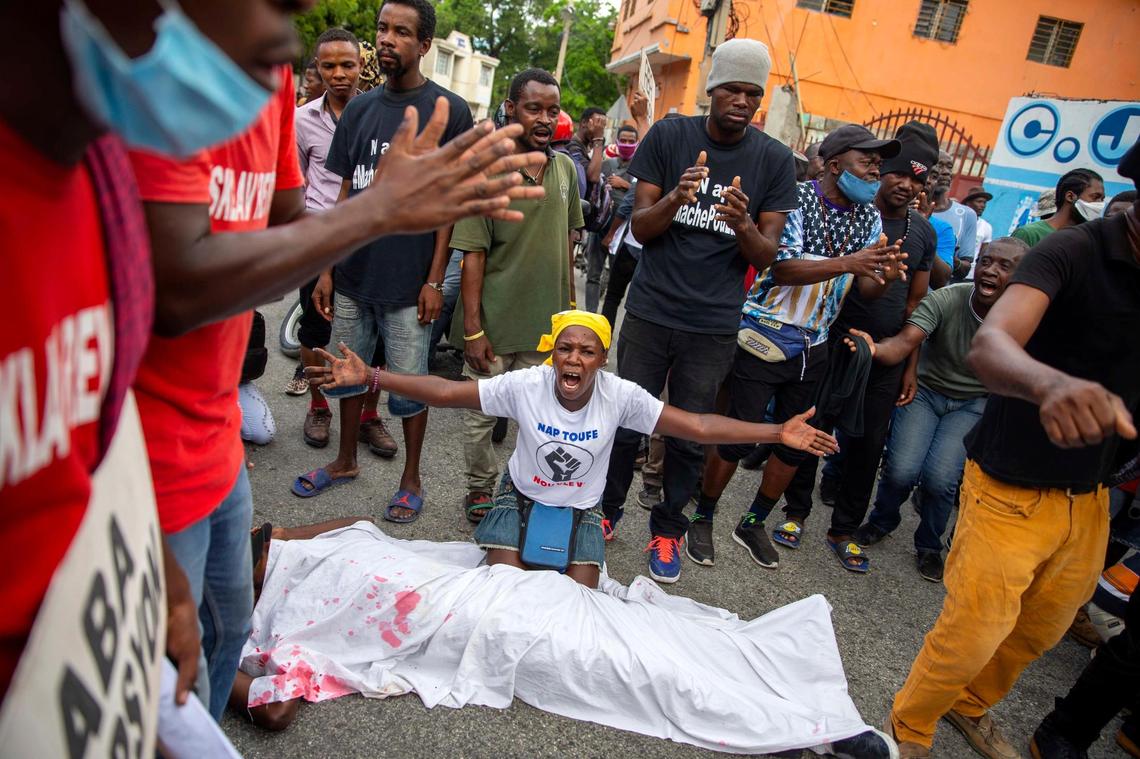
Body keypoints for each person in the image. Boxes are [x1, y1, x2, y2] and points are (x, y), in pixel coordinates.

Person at [0, 0, 545, 747]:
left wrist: (386, 217)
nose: (289, 37)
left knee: (223, 634)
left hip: (209, 447)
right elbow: (178, 287)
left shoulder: (163, 127)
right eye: (275, 3)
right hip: (155, 479)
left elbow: (287, 225)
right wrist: (371, 216)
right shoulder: (122, 138)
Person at [884, 139, 1140, 759]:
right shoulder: (1072, 250)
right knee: (975, 629)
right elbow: (992, 344)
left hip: (1090, 495)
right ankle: (911, 727)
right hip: (1010, 482)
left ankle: (970, 706)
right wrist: (1050, 385)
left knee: (1039, 631)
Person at [313, 311, 838, 588]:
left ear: (601, 360)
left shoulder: (621, 396)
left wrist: (776, 433)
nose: (574, 359)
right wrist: (374, 377)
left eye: (587, 351)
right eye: (565, 348)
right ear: (552, 355)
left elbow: (698, 425)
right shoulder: (526, 385)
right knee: (503, 594)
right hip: (519, 497)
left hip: (582, 510)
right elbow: (448, 393)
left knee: (574, 605)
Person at [597, 38, 800, 583]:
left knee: (689, 435)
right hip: (651, 310)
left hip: (712, 324)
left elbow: (768, 257)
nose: (742, 101)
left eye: (752, 93)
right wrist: (675, 197)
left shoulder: (774, 160)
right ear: (713, 89)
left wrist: (744, 224)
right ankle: (605, 513)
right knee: (625, 421)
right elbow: (641, 229)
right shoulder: (670, 136)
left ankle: (668, 530)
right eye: (732, 89)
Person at [690, 123, 904, 573]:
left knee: (795, 443)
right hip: (763, 334)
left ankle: (753, 522)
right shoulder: (796, 198)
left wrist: (883, 275)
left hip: (815, 343)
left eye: (878, 164)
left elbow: (867, 289)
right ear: (834, 165)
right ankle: (703, 516)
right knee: (738, 434)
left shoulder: (869, 218)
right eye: (866, 161)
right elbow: (783, 268)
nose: (875, 171)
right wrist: (850, 262)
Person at [293, 0, 475, 526]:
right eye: (382, 28)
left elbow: (450, 205)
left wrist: (435, 279)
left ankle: (411, 479)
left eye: (401, 31)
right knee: (347, 372)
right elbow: (345, 192)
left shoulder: (449, 110)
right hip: (353, 274)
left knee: (410, 384)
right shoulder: (360, 108)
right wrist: (328, 267)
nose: (387, 39)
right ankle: (345, 461)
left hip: (408, 282)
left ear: (425, 45)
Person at [764, 120, 938, 575]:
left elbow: (916, 302)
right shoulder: (856, 214)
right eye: (896, 172)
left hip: (884, 354)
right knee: (813, 425)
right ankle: (796, 512)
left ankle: (843, 530)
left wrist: (909, 363)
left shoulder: (921, 232)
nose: (905, 184)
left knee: (867, 445)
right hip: (831, 339)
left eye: (917, 179)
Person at [850, 238, 1028, 582]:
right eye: (986, 261)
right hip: (925, 393)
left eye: (1004, 266)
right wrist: (875, 350)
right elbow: (905, 342)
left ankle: (929, 545)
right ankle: (882, 521)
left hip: (973, 403)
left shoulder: (1025, 318)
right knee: (901, 470)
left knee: (940, 479)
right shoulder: (948, 298)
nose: (991, 270)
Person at [451, 68, 584, 523]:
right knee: (481, 415)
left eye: (553, 110)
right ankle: (479, 487)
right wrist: (473, 330)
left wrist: (570, 314)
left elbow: (568, 242)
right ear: (510, 109)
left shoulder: (565, 170)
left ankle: (521, 487)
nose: (545, 119)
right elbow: (472, 255)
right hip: (493, 324)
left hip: (545, 327)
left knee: (539, 417)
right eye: (534, 108)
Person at [290, 28, 363, 448]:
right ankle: (318, 407)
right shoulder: (302, 120)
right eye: (329, 65)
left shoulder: (375, 113)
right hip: (318, 240)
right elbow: (298, 185)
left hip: (365, 238)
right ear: (317, 67)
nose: (338, 74)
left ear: (360, 66)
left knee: (367, 332)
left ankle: (368, 414)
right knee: (316, 329)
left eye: (347, 65)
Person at [585, 124, 639, 312]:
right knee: (593, 275)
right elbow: (595, 190)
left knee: (615, 282)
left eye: (631, 141)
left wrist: (625, 185)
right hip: (601, 228)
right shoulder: (607, 165)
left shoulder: (640, 168)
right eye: (623, 140)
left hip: (623, 234)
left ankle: (605, 319)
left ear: (637, 143)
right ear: (616, 142)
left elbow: (641, 196)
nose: (627, 144)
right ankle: (590, 316)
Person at [1012, 168, 1105, 247]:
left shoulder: (1087, 243)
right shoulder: (1030, 234)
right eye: (1095, 197)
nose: (1100, 204)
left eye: (1102, 199)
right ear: (1070, 197)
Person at [930, 156, 978, 281]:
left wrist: (953, 261)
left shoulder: (967, 215)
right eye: (939, 165)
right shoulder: (908, 206)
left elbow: (965, 270)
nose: (946, 172)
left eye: (949, 167)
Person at [961, 186, 992, 279]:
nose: (982, 205)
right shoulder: (959, 221)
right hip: (951, 269)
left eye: (984, 202)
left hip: (970, 275)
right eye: (979, 201)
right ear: (968, 203)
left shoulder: (986, 227)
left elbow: (983, 254)